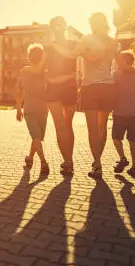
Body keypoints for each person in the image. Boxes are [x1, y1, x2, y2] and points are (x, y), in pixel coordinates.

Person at [50, 12, 118, 179]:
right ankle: (97, 162)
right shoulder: (112, 42)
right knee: (102, 128)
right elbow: (110, 59)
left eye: (93, 23)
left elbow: (70, 55)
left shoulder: (87, 40)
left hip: (91, 88)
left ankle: (97, 163)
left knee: (93, 129)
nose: (92, 26)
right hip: (108, 87)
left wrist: (52, 45)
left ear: (96, 24)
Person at [41, 16, 80, 175]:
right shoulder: (48, 48)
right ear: (52, 28)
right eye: (55, 25)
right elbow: (42, 68)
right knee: (60, 126)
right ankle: (68, 161)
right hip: (54, 89)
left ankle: (68, 160)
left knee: (67, 125)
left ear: (65, 25)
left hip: (69, 88)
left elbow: (75, 63)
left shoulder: (73, 45)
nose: (58, 27)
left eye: (60, 24)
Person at [112, 51, 135, 177]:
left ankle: (124, 159)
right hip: (134, 112)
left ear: (124, 61)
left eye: (119, 61)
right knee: (131, 140)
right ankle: (134, 166)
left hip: (121, 112)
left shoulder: (116, 75)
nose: (117, 63)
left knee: (116, 138)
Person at [15, 43, 49, 175]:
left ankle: (30, 158)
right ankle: (43, 162)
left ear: (29, 57)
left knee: (36, 137)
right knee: (37, 137)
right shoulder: (45, 73)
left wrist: (18, 109)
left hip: (30, 109)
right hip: (43, 110)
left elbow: (19, 91)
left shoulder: (24, 71)